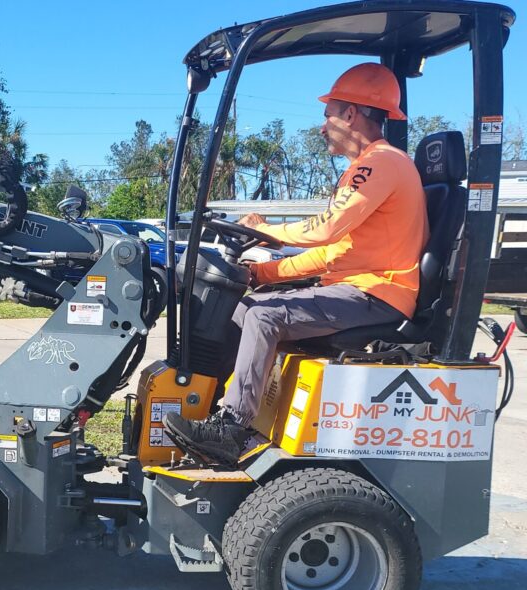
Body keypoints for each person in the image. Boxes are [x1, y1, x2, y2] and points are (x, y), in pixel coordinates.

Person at [163, 62, 428, 464]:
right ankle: (212, 407)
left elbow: (325, 230)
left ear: (351, 114)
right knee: (246, 307)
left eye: (328, 115)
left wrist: (267, 230)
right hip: (356, 287)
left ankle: (231, 430)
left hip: (378, 294)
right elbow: (332, 252)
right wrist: (261, 273)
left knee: (264, 316)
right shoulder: (371, 168)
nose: (323, 127)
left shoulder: (381, 163)